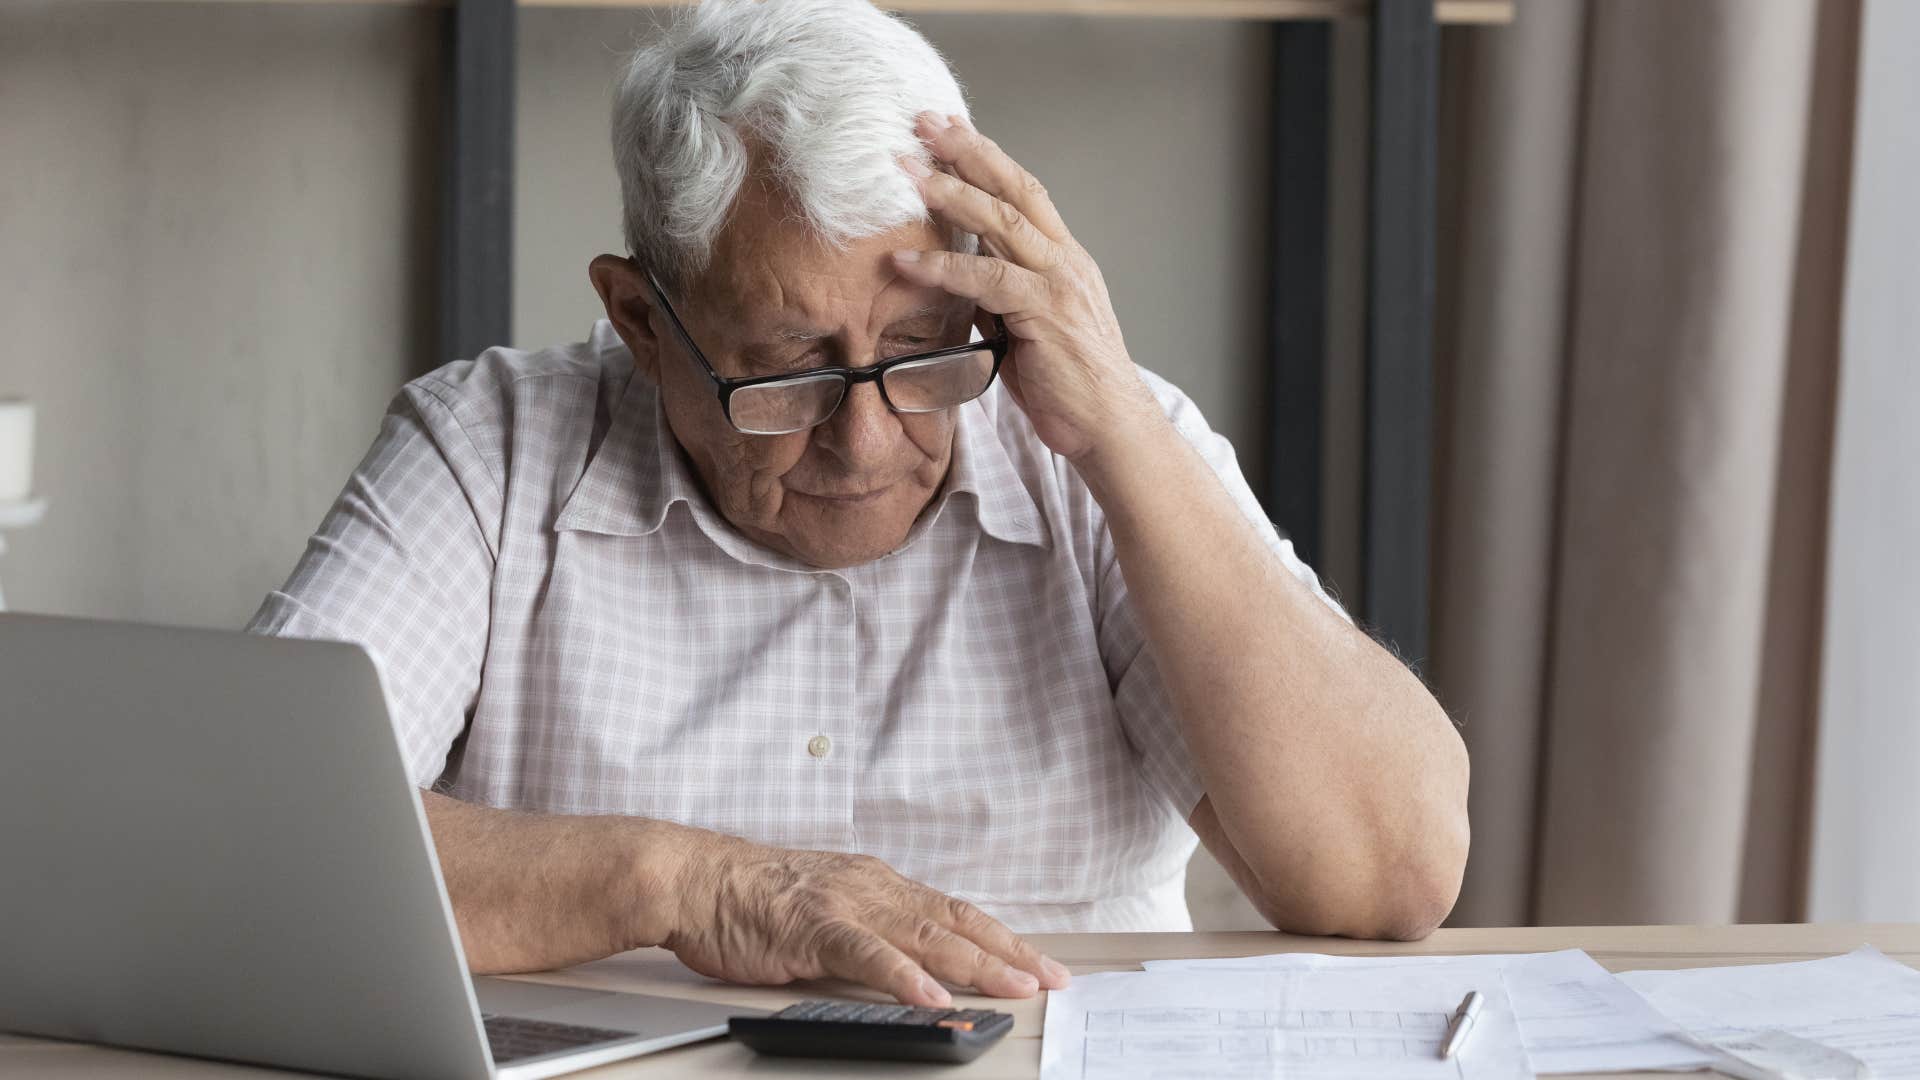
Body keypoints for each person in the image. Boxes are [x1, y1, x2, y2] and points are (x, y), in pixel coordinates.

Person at [250, 0, 1469, 1008]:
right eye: (789, 370)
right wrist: (684, 883)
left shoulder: (1098, 437)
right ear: (641, 323)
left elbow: (1392, 875)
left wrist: (1126, 438)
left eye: (925, 346)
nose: (869, 437)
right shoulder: (491, 451)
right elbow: (250, 836)